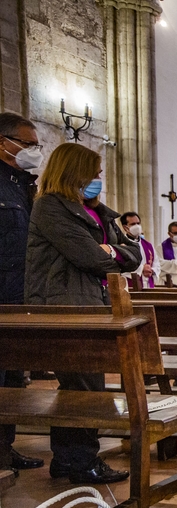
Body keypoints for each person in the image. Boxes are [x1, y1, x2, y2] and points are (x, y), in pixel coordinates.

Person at [25, 142, 142, 483]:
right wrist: (111, 253)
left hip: (91, 303)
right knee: (83, 386)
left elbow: (135, 255)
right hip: (65, 307)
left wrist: (111, 250)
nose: (99, 178)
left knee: (86, 385)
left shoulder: (96, 210)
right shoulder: (50, 207)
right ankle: (79, 461)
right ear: (75, 172)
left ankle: (71, 459)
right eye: (94, 172)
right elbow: (90, 258)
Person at [0, 112, 44, 472]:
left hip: (19, 296)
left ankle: (4, 446)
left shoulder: (23, 185)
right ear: (4, 142)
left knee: (15, 378)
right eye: (28, 144)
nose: (34, 151)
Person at [121, 211, 159, 289]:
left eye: (138, 223)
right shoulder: (121, 244)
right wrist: (141, 269)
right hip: (130, 286)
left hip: (148, 284)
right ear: (125, 227)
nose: (137, 226)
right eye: (133, 224)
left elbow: (157, 264)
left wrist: (151, 270)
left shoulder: (148, 245)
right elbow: (120, 266)